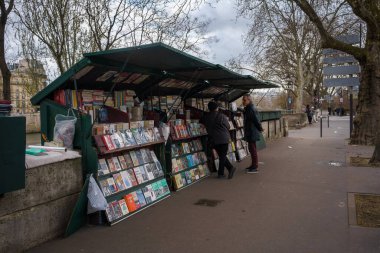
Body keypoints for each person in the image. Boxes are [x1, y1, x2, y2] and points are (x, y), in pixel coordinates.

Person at [201, 101, 236, 179]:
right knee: (222, 155)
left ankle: (230, 168)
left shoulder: (206, 117)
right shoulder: (222, 116)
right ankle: (222, 173)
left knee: (221, 155)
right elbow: (228, 126)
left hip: (213, 139)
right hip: (223, 138)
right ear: (217, 108)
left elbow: (203, 124)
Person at [241, 94, 264, 174]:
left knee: (253, 149)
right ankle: (253, 165)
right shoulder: (248, 108)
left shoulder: (251, 108)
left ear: (249, 100)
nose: (243, 101)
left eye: (244, 100)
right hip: (251, 131)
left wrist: (260, 128)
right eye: (243, 100)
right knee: (251, 149)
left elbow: (256, 120)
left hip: (252, 131)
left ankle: (255, 167)